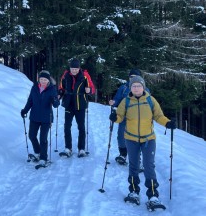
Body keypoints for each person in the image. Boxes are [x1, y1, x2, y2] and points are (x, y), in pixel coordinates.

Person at [109, 75, 176, 206]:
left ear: (143, 87)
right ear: (130, 88)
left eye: (139, 86)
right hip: (131, 139)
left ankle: (153, 196)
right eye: (133, 86)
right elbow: (120, 117)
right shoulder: (126, 101)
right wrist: (114, 117)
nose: (136, 88)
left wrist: (167, 123)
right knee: (133, 166)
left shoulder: (150, 100)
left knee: (148, 166)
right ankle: (133, 192)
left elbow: (158, 116)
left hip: (148, 139)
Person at [109, 69, 149, 165]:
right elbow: (117, 99)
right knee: (121, 136)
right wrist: (114, 102)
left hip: (138, 118)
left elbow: (149, 103)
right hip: (124, 116)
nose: (133, 79)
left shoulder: (145, 89)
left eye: (135, 77)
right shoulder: (123, 88)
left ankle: (137, 160)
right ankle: (123, 154)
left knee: (136, 138)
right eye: (131, 77)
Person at [58, 58, 95, 157]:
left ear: (79, 68)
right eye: (72, 69)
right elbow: (61, 87)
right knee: (67, 126)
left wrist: (89, 90)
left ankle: (81, 149)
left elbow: (92, 88)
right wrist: (59, 94)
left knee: (81, 127)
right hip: (69, 103)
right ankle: (68, 148)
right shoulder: (65, 75)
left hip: (80, 104)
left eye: (76, 69)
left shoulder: (85, 75)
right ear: (70, 68)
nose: (74, 70)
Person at [21, 70, 60, 166]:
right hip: (34, 116)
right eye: (41, 79)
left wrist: (55, 100)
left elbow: (56, 105)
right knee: (32, 136)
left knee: (43, 138)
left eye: (45, 79)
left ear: (48, 80)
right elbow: (30, 101)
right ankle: (38, 152)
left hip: (46, 118)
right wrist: (25, 110)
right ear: (39, 79)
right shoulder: (34, 88)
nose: (43, 81)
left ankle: (43, 158)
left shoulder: (52, 89)